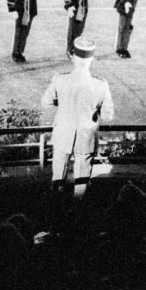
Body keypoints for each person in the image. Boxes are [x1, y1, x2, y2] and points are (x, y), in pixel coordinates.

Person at [42, 38, 115, 184]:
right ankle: (78, 205)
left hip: (63, 133)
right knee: (82, 180)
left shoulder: (59, 80)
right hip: (86, 136)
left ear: (73, 58)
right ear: (92, 60)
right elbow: (108, 116)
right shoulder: (101, 84)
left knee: (58, 178)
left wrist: (62, 102)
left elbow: (46, 102)